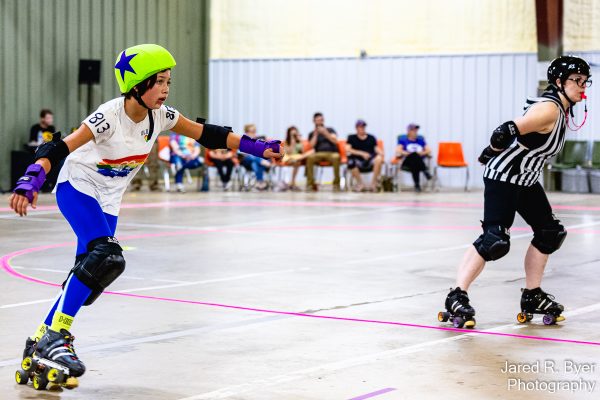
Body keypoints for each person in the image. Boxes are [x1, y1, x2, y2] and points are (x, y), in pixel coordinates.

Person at [9, 44, 283, 387]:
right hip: (78, 187)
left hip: (109, 199)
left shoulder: (161, 116)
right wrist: (31, 179)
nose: (166, 89)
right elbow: (59, 146)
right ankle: (57, 337)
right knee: (107, 256)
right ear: (137, 85)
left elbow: (209, 134)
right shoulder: (109, 116)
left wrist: (258, 148)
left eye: (169, 82)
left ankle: (40, 339)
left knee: (88, 275)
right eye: (159, 82)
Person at [439, 55, 591, 329]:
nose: (583, 86)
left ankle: (532, 295)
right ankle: (456, 295)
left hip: (526, 178)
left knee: (550, 232)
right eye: (577, 80)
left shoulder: (561, 110)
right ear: (559, 82)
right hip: (504, 177)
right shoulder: (549, 109)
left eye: (585, 81)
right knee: (494, 241)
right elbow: (503, 132)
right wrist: (491, 151)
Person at [305, 112, 340, 192]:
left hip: (331, 153)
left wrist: (325, 133)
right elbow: (311, 145)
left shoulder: (330, 130)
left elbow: (335, 141)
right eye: (318, 120)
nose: (320, 122)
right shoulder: (312, 133)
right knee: (310, 158)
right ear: (314, 121)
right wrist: (315, 135)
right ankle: (310, 184)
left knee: (336, 157)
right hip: (318, 154)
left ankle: (336, 184)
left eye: (321, 120)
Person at [346, 120, 384, 192]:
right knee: (350, 162)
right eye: (360, 127)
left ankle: (373, 184)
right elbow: (348, 149)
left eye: (363, 127)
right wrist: (362, 153)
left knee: (379, 158)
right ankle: (360, 184)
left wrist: (381, 152)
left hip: (370, 160)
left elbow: (376, 148)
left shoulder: (371, 137)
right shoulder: (351, 138)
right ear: (356, 128)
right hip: (357, 160)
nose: (362, 128)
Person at [395, 123, 432, 192]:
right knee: (414, 154)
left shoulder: (421, 141)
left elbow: (429, 150)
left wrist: (422, 153)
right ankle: (425, 171)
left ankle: (417, 186)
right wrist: (406, 153)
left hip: (417, 163)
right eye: (413, 130)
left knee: (415, 162)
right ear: (408, 131)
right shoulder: (403, 140)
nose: (415, 132)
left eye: (416, 130)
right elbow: (398, 150)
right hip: (407, 162)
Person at [239, 124, 270, 190]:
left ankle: (259, 182)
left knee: (255, 163)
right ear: (246, 132)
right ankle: (260, 181)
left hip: (254, 162)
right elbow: (241, 153)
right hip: (246, 161)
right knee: (253, 158)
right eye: (251, 132)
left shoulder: (258, 141)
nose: (253, 133)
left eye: (254, 131)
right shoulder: (242, 140)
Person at [282, 126, 313, 190]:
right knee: (297, 161)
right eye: (292, 133)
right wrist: (292, 140)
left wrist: (300, 141)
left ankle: (292, 182)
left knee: (311, 152)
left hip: (298, 157)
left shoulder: (299, 141)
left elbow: (302, 151)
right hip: (289, 157)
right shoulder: (286, 142)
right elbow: (289, 152)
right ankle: (292, 182)